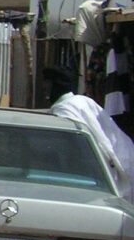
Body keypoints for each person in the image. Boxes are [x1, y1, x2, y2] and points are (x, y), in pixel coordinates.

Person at [46, 66, 134, 200]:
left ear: (54, 85)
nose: (43, 89)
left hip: (107, 173)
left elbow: (76, 149)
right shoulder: (82, 100)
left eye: (46, 84)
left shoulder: (64, 111)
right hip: (124, 156)